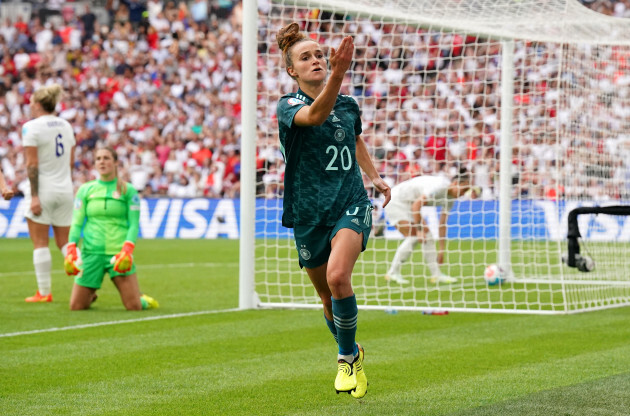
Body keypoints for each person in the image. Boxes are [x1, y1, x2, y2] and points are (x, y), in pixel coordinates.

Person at [275, 23, 391, 398]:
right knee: (327, 298)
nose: (316, 60)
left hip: (350, 203)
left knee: (339, 277)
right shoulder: (288, 106)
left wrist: (374, 178)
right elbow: (316, 116)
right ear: (292, 70)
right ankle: (354, 351)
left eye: (320, 55)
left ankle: (344, 358)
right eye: (305, 57)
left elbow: (354, 137)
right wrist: (339, 75)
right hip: (308, 212)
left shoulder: (348, 104)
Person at [63, 147, 159, 311]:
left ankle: (143, 300)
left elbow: (134, 224)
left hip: (118, 254)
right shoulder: (85, 190)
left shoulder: (128, 190)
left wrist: (128, 249)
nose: (102, 162)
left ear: (115, 162)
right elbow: (77, 222)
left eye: (106, 158)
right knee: (76, 306)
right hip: (91, 253)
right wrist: (71, 246)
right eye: (98, 159)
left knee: (134, 306)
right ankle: (90, 295)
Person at [23, 84, 76, 303]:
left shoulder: (31, 127)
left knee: (40, 243)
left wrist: (35, 196)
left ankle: (44, 292)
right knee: (66, 243)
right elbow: (71, 162)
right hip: (65, 188)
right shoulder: (66, 125)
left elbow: (32, 164)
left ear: (37, 104)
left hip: (44, 189)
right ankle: (86, 283)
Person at [384, 169, 480, 284]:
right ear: (455, 184)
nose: (463, 193)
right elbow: (416, 205)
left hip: (409, 204)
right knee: (415, 236)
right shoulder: (439, 187)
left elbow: (442, 224)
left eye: (466, 191)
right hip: (396, 200)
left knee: (427, 235)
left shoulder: (451, 199)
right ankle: (392, 272)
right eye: (463, 189)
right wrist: (419, 230)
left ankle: (436, 275)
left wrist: (441, 250)